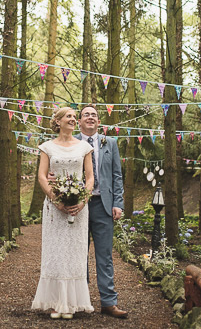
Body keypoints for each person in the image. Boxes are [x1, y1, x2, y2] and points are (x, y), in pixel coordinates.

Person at [31, 107, 95, 320]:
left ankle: (72, 303)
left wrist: (83, 200)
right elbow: (41, 176)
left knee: (75, 254)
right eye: (68, 116)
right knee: (55, 253)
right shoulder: (47, 147)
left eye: (74, 117)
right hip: (54, 208)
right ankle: (55, 303)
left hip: (78, 209)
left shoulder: (84, 147)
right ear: (57, 121)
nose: (73, 120)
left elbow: (89, 178)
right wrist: (55, 199)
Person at [77, 104, 128, 318]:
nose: (91, 117)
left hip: (104, 205)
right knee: (79, 255)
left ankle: (108, 302)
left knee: (104, 255)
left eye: (94, 115)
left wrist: (118, 203)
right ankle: (81, 301)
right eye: (86, 114)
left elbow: (117, 175)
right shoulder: (73, 143)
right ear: (79, 121)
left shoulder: (111, 143)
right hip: (78, 206)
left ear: (99, 121)